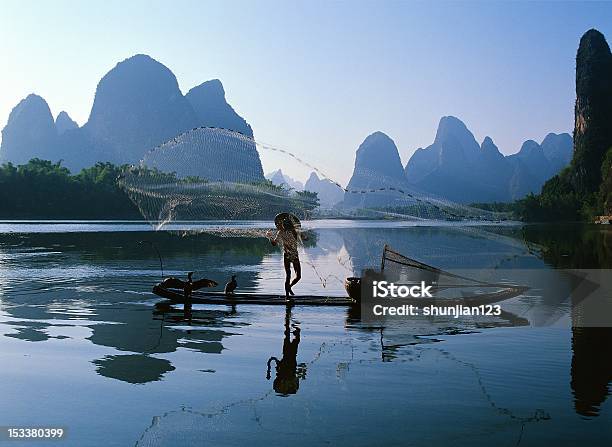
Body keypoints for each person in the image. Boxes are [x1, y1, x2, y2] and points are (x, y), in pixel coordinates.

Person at [267, 214, 306, 300]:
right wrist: (269, 236)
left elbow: (273, 244)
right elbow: (305, 238)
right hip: (290, 255)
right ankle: (287, 295)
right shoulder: (286, 232)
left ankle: (289, 288)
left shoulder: (290, 232)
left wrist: (269, 236)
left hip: (291, 255)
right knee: (292, 275)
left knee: (295, 276)